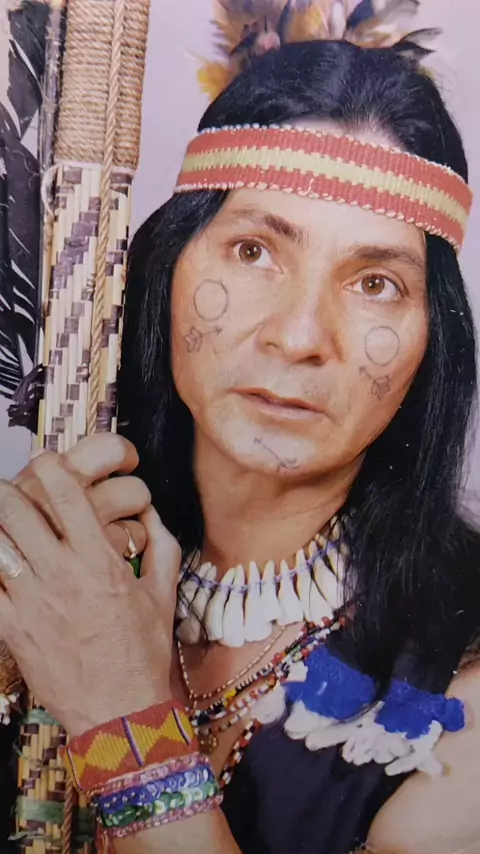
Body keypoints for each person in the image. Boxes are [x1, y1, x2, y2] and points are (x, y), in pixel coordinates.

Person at [0, 30, 480, 854]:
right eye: (255, 251)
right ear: (169, 267)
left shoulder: (463, 684)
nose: (300, 336)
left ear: (433, 340)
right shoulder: (53, 573)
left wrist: (125, 715)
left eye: (375, 283)